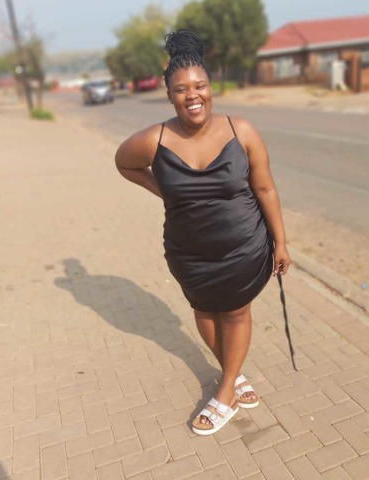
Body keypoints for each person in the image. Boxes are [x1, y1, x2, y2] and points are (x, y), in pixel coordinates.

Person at [114, 30, 290, 435]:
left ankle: (226, 390)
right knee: (205, 311)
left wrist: (280, 242)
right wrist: (165, 191)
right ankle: (234, 374)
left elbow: (265, 188)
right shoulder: (155, 140)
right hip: (188, 252)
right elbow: (124, 163)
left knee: (236, 312)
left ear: (211, 88)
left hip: (243, 247)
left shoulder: (242, 131)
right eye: (181, 90)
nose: (192, 96)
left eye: (200, 86)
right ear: (169, 96)